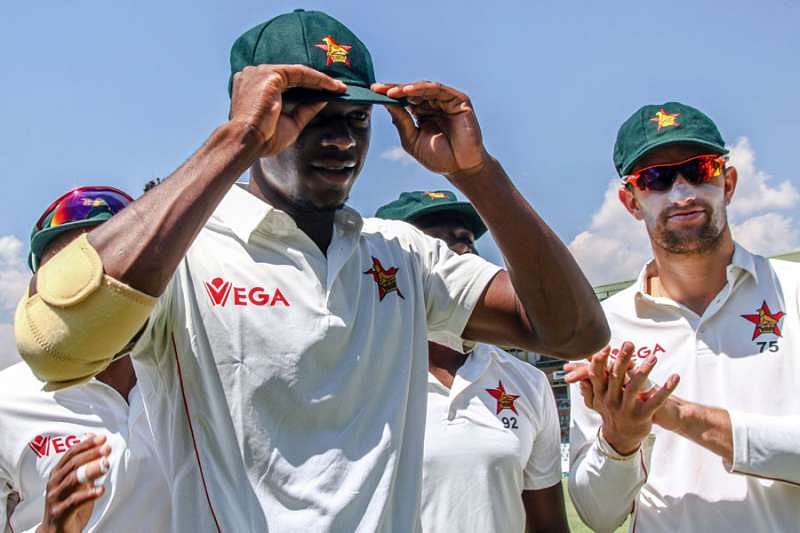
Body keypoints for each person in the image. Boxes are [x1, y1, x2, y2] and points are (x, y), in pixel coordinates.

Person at [16, 9, 608, 531]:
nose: (341, 139)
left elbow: (574, 332)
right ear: (253, 114)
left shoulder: (399, 252)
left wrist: (477, 174)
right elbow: (54, 344)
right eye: (312, 116)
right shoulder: (191, 255)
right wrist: (235, 141)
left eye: (357, 119)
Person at [566, 102, 800, 532]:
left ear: (727, 182)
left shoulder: (795, 291)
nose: (682, 194)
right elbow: (600, 517)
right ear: (630, 201)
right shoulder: (603, 330)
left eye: (699, 169)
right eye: (654, 179)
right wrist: (620, 441)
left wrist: (675, 415)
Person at [376, 190, 569, 533]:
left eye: (465, 240)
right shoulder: (360, 374)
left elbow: (548, 525)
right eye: (434, 244)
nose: (460, 251)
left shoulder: (528, 381)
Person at [2, 186, 169, 532]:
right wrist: (50, 529)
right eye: (67, 277)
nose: (92, 293)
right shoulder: (6, 399)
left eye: (112, 269)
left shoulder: (195, 378)